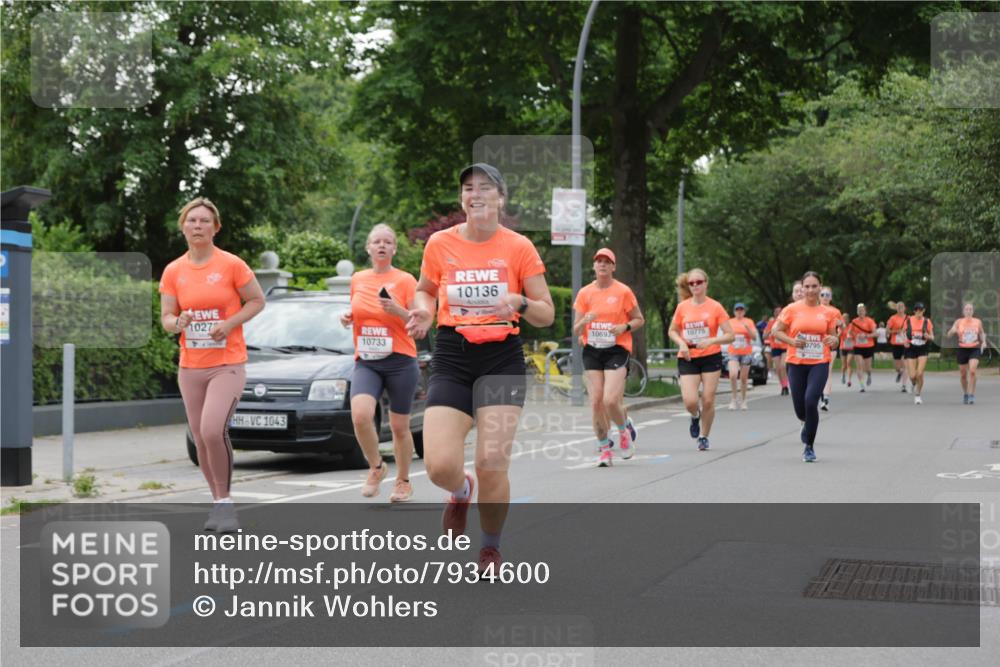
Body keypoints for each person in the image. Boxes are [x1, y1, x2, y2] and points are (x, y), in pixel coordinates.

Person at [405, 164, 554, 574]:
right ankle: (459, 491)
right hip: (453, 355)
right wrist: (424, 311)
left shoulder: (519, 247)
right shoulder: (440, 243)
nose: (476, 194)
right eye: (469, 188)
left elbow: (545, 312)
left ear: (500, 199)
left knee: (491, 463)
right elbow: (425, 290)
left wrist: (520, 302)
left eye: (486, 188)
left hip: (501, 358)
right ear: (462, 199)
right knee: (438, 465)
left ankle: (490, 548)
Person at [159, 197, 265, 532]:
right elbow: (166, 317)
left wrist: (229, 323)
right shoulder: (174, 271)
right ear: (183, 227)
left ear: (215, 228)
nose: (198, 226)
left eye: (205, 221)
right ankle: (218, 502)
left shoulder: (232, 264)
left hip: (227, 364)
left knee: (212, 430)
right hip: (191, 366)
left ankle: (227, 504)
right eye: (192, 220)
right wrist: (178, 323)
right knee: (200, 438)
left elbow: (257, 300)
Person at [340, 224, 420, 502]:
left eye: (387, 242)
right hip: (367, 361)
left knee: (399, 427)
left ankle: (403, 481)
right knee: (360, 416)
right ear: (368, 248)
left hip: (400, 361)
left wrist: (397, 310)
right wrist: (349, 317)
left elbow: (417, 321)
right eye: (377, 242)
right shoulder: (358, 279)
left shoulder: (406, 280)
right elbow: (359, 310)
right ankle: (376, 467)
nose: (382, 246)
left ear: (394, 248)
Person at [573, 248, 644, 466]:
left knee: (610, 400)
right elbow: (576, 330)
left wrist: (624, 327)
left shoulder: (623, 291)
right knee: (596, 402)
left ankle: (623, 431)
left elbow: (639, 319)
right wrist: (584, 322)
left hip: (616, 349)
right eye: (599, 261)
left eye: (607, 261)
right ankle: (605, 449)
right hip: (592, 350)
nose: (602, 264)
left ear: (613, 267)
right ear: (594, 266)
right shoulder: (585, 293)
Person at [771, 271, 839, 463]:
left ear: (820, 287)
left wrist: (834, 340)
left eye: (814, 286)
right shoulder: (792, 309)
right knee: (800, 409)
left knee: (811, 401)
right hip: (796, 363)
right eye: (807, 286)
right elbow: (776, 331)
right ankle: (805, 421)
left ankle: (809, 446)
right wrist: (792, 341)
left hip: (819, 362)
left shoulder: (828, 312)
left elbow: (834, 337)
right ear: (802, 288)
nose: (810, 290)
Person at [668, 268, 734, 452]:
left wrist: (712, 340)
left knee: (708, 400)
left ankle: (704, 436)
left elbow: (730, 335)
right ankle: (695, 415)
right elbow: (672, 330)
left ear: (706, 284)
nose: (695, 285)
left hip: (710, 356)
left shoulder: (715, 307)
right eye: (692, 283)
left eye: (699, 282)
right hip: (688, 356)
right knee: (690, 401)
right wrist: (681, 343)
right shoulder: (683, 307)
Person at [947, 302, 986, 405]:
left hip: (974, 348)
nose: (968, 311)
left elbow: (982, 333)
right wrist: (952, 331)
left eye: (970, 309)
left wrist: (984, 342)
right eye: (967, 309)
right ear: (963, 311)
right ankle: (965, 393)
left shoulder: (978, 322)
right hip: (962, 349)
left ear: (973, 311)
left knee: (972, 371)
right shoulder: (958, 322)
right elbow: (948, 335)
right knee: (963, 374)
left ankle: (971, 394)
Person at [726, 303, 758, 411]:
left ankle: (744, 400)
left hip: (746, 353)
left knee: (744, 378)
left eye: (741, 310)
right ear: (734, 311)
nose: (739, 312)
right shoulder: (730, 322)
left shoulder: (749, 321)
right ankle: (734, 399)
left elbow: (754, 337)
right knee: (733, 375)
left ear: (744, 311)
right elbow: (726, 336)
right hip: (733, 352)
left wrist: (747, 328)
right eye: (737, 310)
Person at [903, 301, 935, 405]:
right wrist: (904, 340)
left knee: (920, 373)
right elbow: (903, 332)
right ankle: (913, 383)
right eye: (917, 310)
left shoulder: (927, 321)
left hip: (923, 348)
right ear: (914, 311)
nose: (919, 312)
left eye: (921, 310)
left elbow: (932, 337)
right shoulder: (908, 320)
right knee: (912, 376)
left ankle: (918, 395)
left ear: (923, 311)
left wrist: (928, 336)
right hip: (911, 347)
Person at [818, 287, 844, 412]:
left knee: (827, 370)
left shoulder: (835, 311)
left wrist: (836, 335)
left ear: (831, 297)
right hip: (817, 345)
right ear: (819, 296)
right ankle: (819, 394)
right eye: (822, 294)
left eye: (827, 294)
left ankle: (825, 398)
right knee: (817, 371)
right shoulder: (815, 309)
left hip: (830, 344)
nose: (825, 297)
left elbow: (841, 327)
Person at [849, 304, 877, 391]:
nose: (861, 312)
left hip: (868, 346)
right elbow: (850, 332)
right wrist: (855, 335)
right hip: (857, 346)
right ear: (857, 312)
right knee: (859, 366)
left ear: (865, 312)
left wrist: (866, 336)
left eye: (862, 311)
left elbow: (875, 333)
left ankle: (869, 374)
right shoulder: (854, 321)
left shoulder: (870, 321)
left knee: (867, 368)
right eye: (859, 311)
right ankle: (861, 385)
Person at [886, 301, 910, 392]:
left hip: (905, 343)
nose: (900, 309)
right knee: (897, 367)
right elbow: (887, 331)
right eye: (899, 307)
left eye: (902, 307)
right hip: (895, 344)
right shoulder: (892, 318)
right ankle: (899, 372)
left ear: (905, 308)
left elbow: (912, 330)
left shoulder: (908, 318)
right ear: (896, 308)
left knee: (905, 364)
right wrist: (896, 331)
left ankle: (904, 385)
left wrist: (905, 333)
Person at [765, 306, 789, 395]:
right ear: (774, 313)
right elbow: (764, 336)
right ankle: (783, 386)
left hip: (785, 346)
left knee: (783, 366)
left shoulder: (786, 322)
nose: (778, 313)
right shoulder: (771, 323)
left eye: (780, 311)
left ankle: (786, 385)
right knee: (778, 368)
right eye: (777, 312)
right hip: (775, 347)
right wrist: (770, 331)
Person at [839, 318, 855, 386]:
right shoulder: (841, 326)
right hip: (843, 347)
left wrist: (851, 335)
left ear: (848, 320)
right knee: (844, 365)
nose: (845, 320)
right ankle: (843, 375)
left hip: (851, 347)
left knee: (849, 363)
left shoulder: (852, 326)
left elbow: (855, 335)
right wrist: (841, 330)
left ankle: (849, 380)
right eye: (843, 319)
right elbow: (838, 336)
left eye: (846, 319)